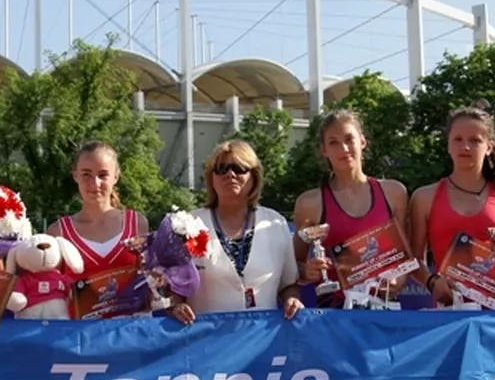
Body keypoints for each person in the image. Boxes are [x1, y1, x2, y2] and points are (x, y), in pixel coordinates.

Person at [409, 106, 495, 308]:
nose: (465, 147)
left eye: (475, 140)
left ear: (489, 147)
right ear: (448, 145)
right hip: (451, 309)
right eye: (457, 139)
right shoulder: (424, 197)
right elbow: (414, 260)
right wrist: (432, 282)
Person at [170, 139, 305, 322]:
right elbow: (172, 288)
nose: (230, 174)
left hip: (261, 338)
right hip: (205, 339)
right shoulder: (187, 224)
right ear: (212, 178)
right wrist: (176, 306)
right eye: (221, 169)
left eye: (239, 168)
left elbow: (288, 284)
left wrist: (292, 300)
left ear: (254, 176)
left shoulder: (275, 223)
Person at [291, 109, 411, 308]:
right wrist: (308, 271)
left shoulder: (394, 192)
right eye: (333, 142)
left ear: (362, 142)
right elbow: (292, 266)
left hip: (384, 309)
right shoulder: (309, 203)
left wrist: (400, 278)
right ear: (324, 150)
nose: (343, 148)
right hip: (335, 314)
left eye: (349, 139)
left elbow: (408, 255)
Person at [49, 141, 150, 318]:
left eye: (103, 175)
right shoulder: (58, 232)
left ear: (116, 176)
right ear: (75, 175)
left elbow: (151, 284)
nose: (95, 184)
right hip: (80, 339)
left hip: (129, 337)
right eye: (86, 174)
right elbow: (51, 295)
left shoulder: (137, 223)